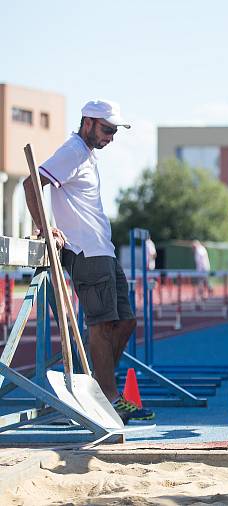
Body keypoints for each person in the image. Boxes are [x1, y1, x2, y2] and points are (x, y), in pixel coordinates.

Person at [23, 99, 153, 423]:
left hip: (102, 250)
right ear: (88, 122)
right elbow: (31, 183)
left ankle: (98, 387)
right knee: (102, 326)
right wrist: (44, 227)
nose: (111, 136)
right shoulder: (73, 151)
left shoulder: (86, 155)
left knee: (125, 322)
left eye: (115, 131)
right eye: (108, 129)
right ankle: (108, 397)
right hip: (85, 252)